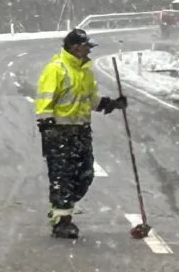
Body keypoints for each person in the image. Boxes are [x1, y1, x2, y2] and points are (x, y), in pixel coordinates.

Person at [33, 26, 126, 239]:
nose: (89, 51)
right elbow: (44, 100)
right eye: (86, 47)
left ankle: (60, 206)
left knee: (85, 174)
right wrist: (47, 126)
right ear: (75, 48)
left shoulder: (85, 72)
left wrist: (111, 104)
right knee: (62, 176)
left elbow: (90, 99)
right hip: (59, 131)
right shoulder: (56, 69)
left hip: (81, 131)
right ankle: (62, 220)